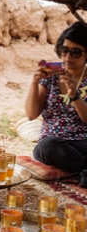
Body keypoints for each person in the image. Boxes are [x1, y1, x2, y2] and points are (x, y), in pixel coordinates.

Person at [25, 21, 87, 175]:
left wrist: (74, 94)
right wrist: (34, 82)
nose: (68, 56)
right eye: (64, 50)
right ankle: (83, 169)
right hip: (53, 141)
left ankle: (80, 169)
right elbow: (31, 115)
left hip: (83, 140)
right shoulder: (51, 75)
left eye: (76, 52)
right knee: (48, 147)